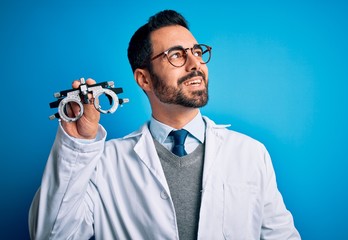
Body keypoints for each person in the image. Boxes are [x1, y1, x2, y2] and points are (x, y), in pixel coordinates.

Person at [29, 9, 301, 240]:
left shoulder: (251, 154)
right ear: (144, 79)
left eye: (196, 51)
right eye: (176, 55)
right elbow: (52, 234)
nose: (195, 64)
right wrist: (77, 144)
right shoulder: (104, 164)